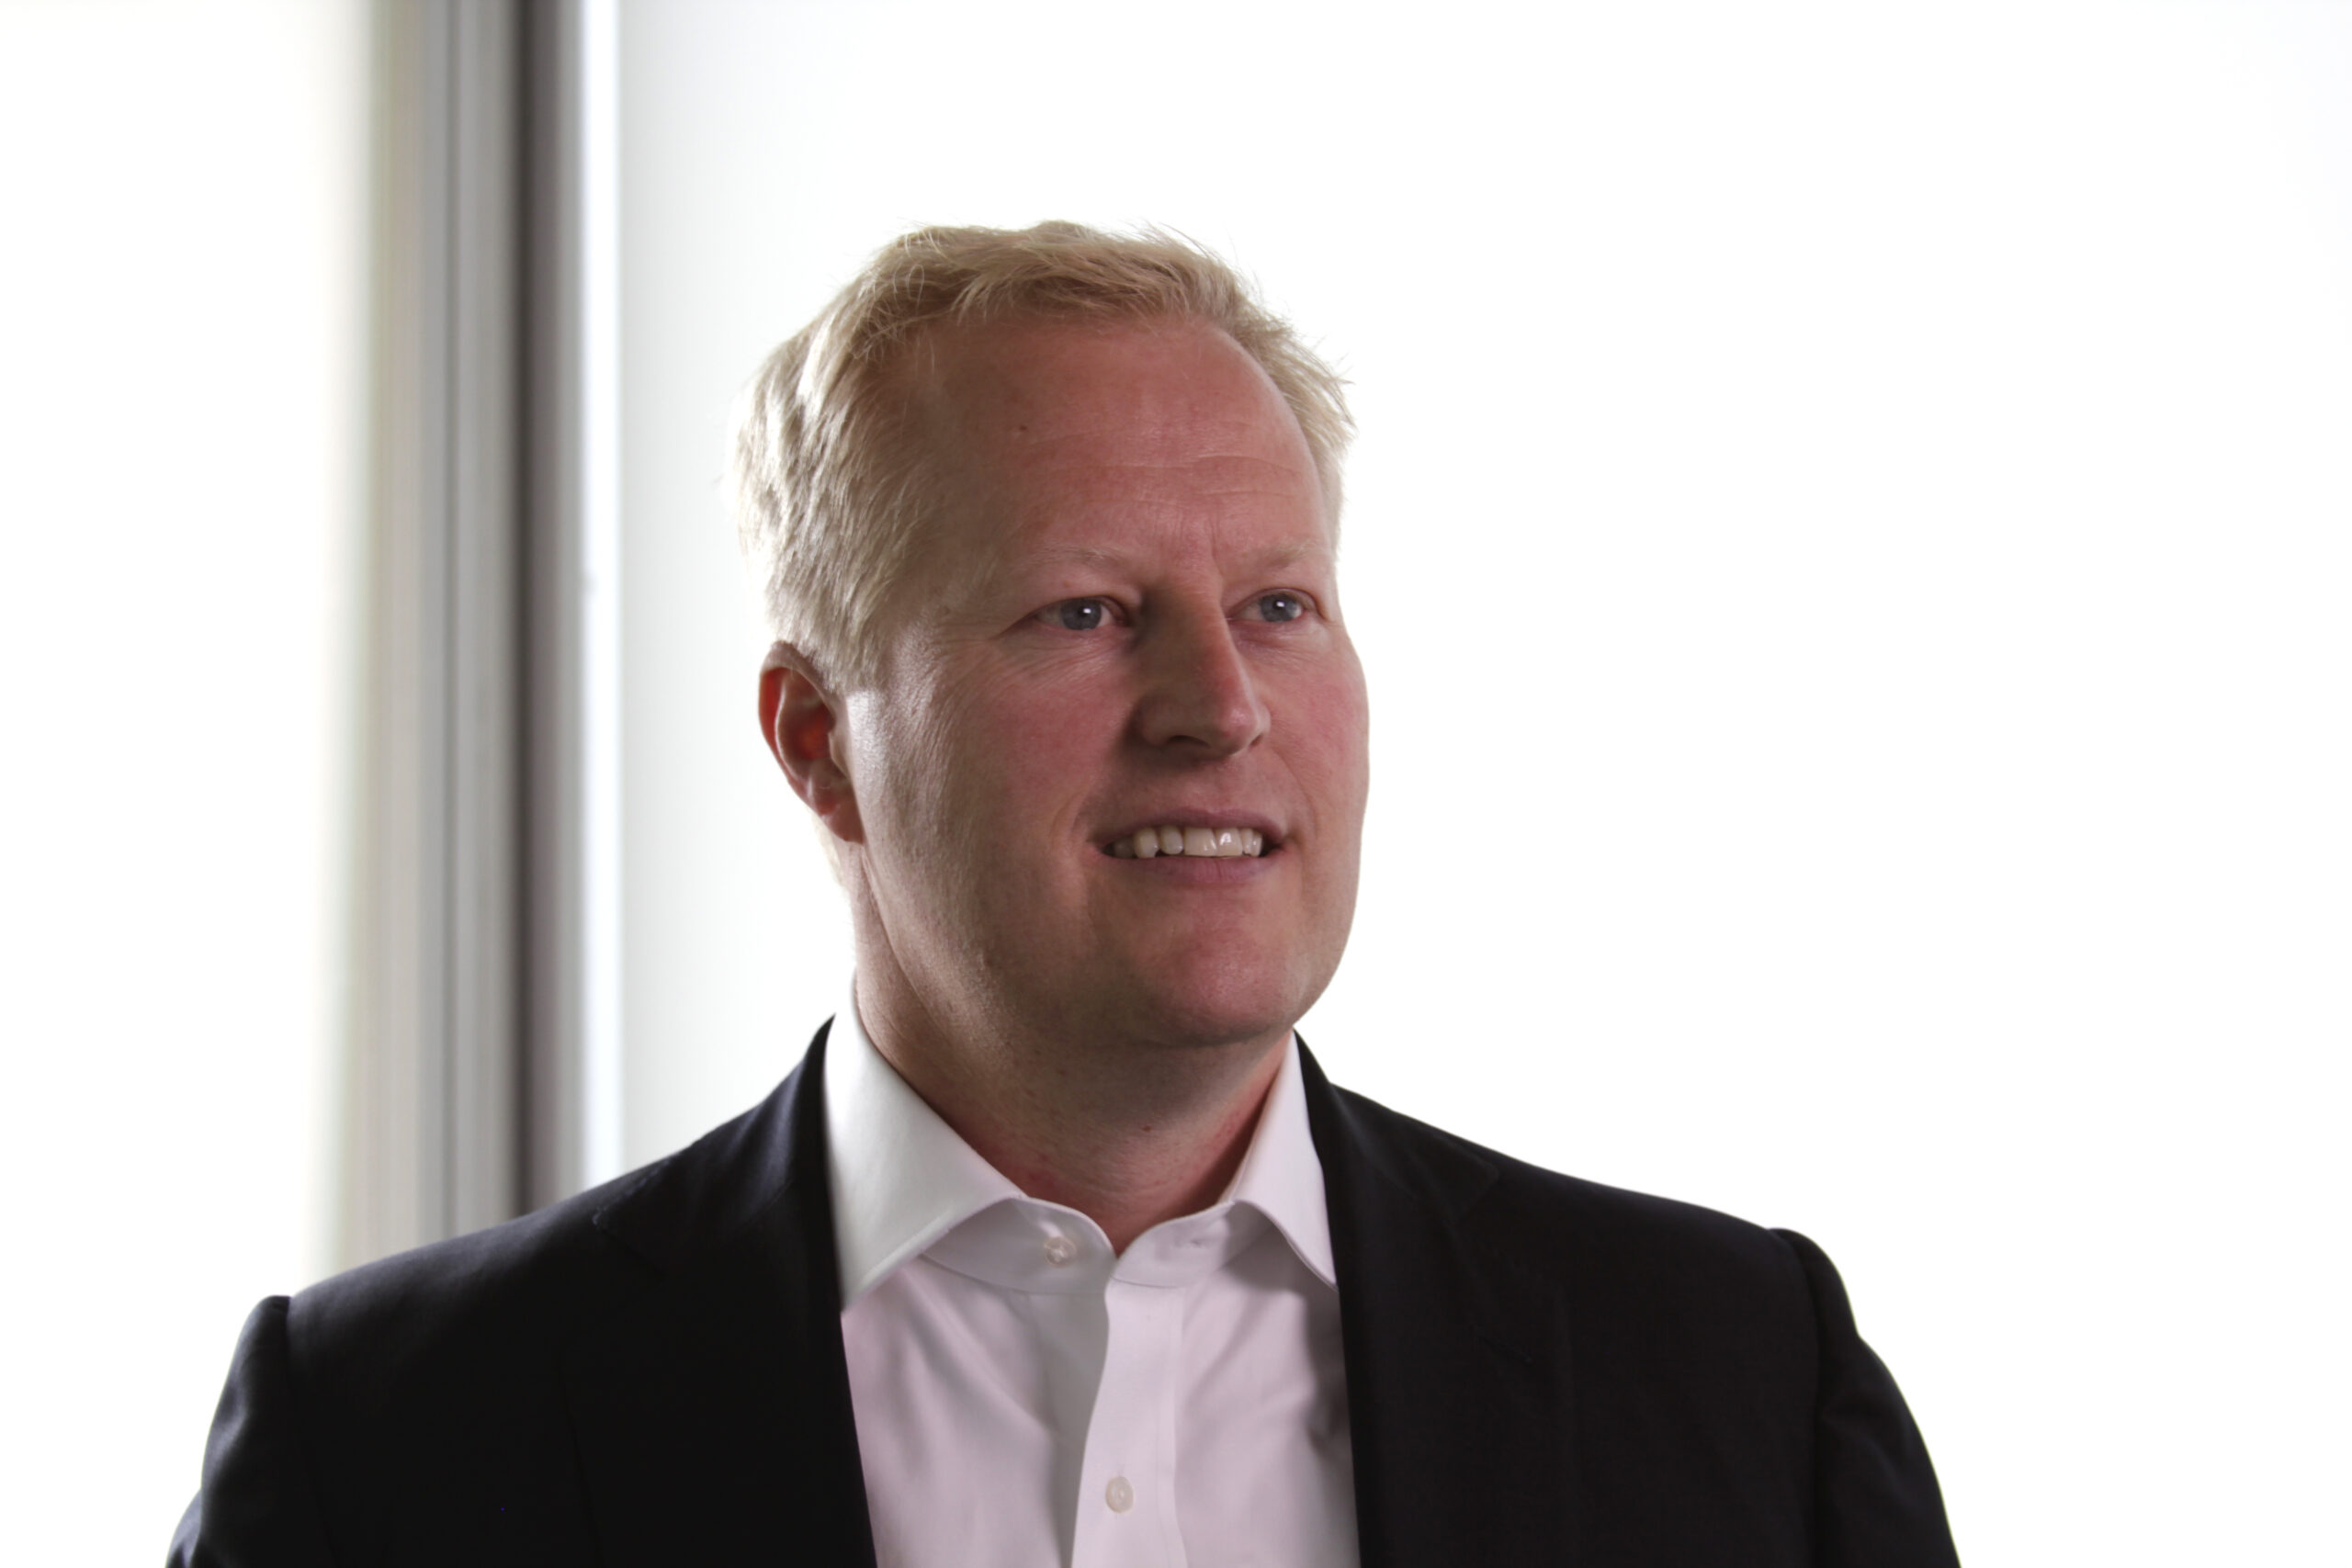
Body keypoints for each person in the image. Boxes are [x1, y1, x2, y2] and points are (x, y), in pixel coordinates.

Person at [171, 222, 1960, 1566]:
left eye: (1277, 605)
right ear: (817, 740)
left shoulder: (1737, 1378)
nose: (1220, 705)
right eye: (1084, 611)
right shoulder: (387, 1442)